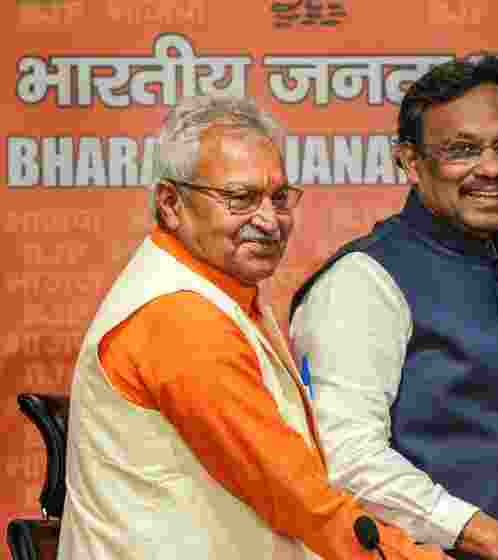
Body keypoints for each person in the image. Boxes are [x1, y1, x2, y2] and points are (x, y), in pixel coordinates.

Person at [58, 94, 445, 560]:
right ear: (170, 203)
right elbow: (299, 498)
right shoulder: (180, 318)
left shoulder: (217, 291)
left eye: (279, 197)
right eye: (240, 199)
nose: (269, 220)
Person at [289, 56, 498, 560]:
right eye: (462, 150)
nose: (491, 169)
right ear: (409, 161)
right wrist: (495, 537)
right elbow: (348, 459)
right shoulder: (362, 282)